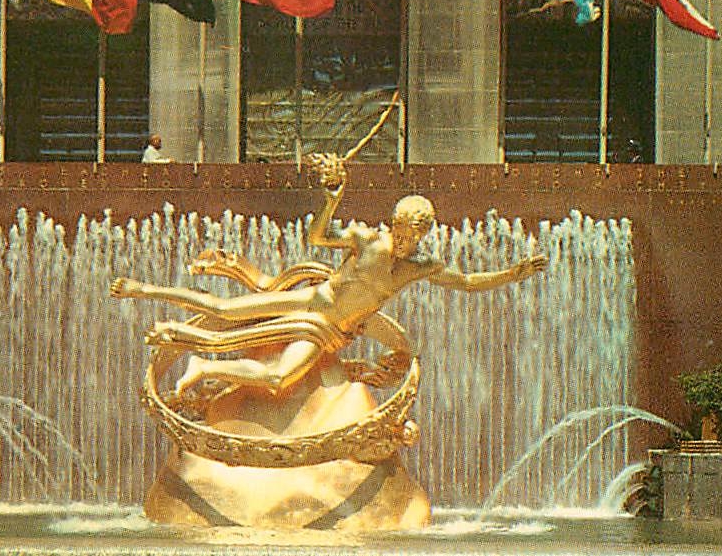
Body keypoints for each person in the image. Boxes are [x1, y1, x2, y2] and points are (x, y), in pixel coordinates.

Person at [110, 153, 547, 398]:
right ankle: (143, 288)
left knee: (279, 378)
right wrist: (332, 200)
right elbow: (318, 237)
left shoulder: (419, 268)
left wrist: (514, 273)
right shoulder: (366, 239)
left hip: (331, 333)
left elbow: (467, 282)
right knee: (225, 309)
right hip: (311, 302)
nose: (409, 241)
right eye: (405, 230)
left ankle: (205, 366)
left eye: (418, 234)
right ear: (393, 223)